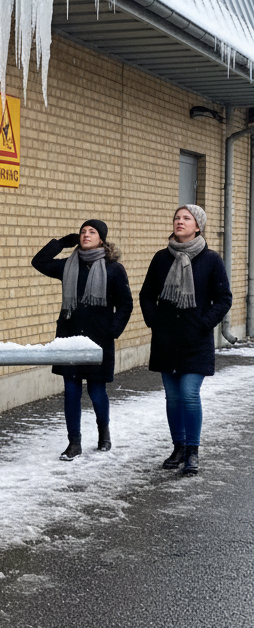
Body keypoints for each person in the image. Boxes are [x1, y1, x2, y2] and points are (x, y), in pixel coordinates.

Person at [139, 203, 231, 476]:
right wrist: (155, 321)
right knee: (173, 397)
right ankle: (178, 447)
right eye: (177, 218)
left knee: (189, 395)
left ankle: (192, 450)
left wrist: (203, 323)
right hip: (166, 339)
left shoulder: (211, 259)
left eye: (186, 218)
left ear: (198, 226)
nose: (180, 222)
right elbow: (147, 295)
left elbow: (224, 298)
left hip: (195, 340)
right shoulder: (161, 258)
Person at [31, 220, 133, 460]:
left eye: (92, 232)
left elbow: (125, 304)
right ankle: (74, 443)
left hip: (99, 340)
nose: (86, 235)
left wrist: (111, 332)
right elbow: (39, 262)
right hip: (69, 338)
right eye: (83, 232)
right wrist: (62, 243)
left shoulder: (113, 269)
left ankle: (103, 433)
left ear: (102, 239)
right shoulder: (68, 266)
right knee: (71, 392)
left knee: (97, 392)